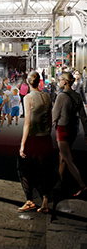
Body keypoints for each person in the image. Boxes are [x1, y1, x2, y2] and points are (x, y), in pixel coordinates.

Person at [18, 71, 55, 213]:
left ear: (28, 83)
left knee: (25, 169)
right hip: (45, 138)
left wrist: (22, 144)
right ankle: (45, 202)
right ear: (39, 81)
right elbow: (50, 118)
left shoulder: (27, 98)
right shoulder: (46, 96)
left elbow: (27, 122)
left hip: (33, 139)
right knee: (45, 170)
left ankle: (30, 200)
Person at [52, 71, 87, 198]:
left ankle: (82, 185)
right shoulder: (77, 96)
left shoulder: (61, 96)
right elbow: (84, 117)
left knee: (66, 157)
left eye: (60, 79)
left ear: (65, 82)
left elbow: (54, 117)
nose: (59, 81)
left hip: (62, 130)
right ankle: (59, 185)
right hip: (73, 129)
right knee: (62, 157)